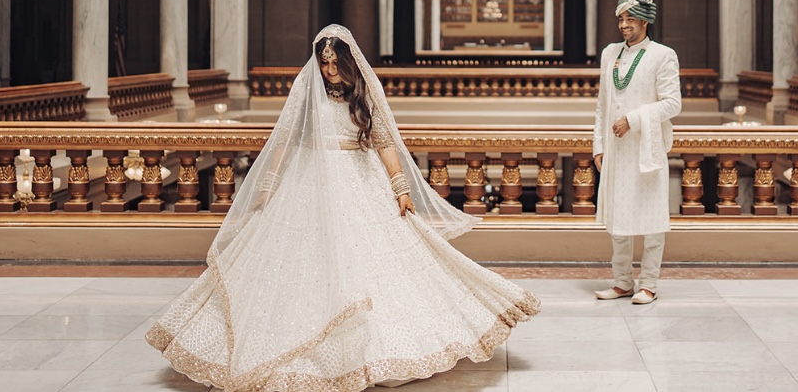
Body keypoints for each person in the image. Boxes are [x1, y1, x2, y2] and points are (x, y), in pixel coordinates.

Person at [147, 24, 540, 391]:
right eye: (325, 61)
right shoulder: (307, 92)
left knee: (377, 260)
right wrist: (269, 184)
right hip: (310, 179)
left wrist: (399, 186)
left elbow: (385, 141)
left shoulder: (363, 94)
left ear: (350, 62)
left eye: (336, 62)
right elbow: (285, 139)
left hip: (360, 178)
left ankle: (375, 350)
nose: (330, 68)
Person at [592, 0, 681, 305]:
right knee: (618, 218)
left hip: (647, 147)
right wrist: (598, 146)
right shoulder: (610, 54)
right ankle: (621, 282)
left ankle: (649, 283)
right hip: (616, 149)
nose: (623, 24)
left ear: (645, 20)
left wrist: (633, 119)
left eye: (630, 18)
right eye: (621, 18)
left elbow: (673, 104)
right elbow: (602, 104)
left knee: (651, 218)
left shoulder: (662, 55)